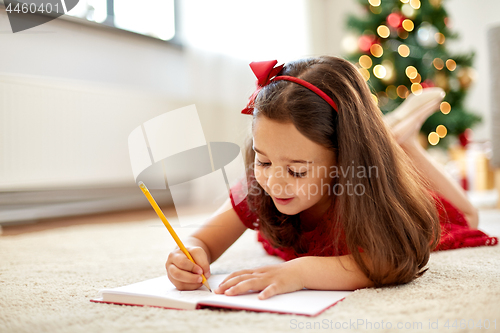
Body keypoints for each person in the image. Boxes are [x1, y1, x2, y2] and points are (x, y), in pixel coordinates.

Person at [165, 56, 497, 300]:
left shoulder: (367, 189)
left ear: (343, 161)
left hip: (392, 196)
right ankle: (392, 135)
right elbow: (202, 240)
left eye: (296, 171)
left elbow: (391, 260)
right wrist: (190, 255)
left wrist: (301, 272)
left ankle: (401, 141)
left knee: (467, 216)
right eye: (263, 161)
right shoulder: (260, 185)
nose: (275, 182)